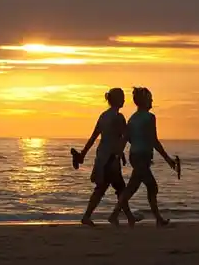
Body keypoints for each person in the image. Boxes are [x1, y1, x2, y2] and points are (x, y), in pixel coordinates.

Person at [108, 87, 176, 228]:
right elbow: (154, 140)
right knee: (150, 187)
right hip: (142, 157)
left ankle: (157, 219)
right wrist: (167, 159)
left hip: (135, 156)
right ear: (145, 101)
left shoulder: (132, 119)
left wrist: (118, 155)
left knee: (134, 187)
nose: (152, 101)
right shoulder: (149, 118)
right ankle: (115, 215)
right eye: (150, 98)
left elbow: (126, 139)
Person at [75, 87, 138, 226]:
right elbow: (124, 137)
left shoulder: (103, 116)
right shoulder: (118, 117)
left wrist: (83, 153)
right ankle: (124, 217)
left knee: (110, 187)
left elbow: (94, 137)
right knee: (117, 188)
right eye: (122, 97)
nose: (124, 100)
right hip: (111, 158)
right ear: (116, 99)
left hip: (102, 157)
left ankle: (127, 217)